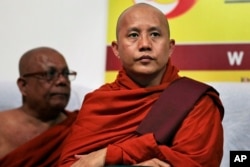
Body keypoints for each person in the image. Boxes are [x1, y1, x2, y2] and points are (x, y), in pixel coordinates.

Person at [59, 3, 224, 167]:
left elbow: (197, 163)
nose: (145, 44)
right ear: (116, 49)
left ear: (170, 47)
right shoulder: (98, 102)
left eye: (155, 34)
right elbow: (71, 165)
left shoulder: (195, 100)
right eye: (133, 35)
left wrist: (112, 154)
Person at [0, 46, 78, 166]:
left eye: (66, 74)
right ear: (23, 86)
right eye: (50, 74)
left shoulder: (80, 125)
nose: (62, 81)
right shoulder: (2, 127)